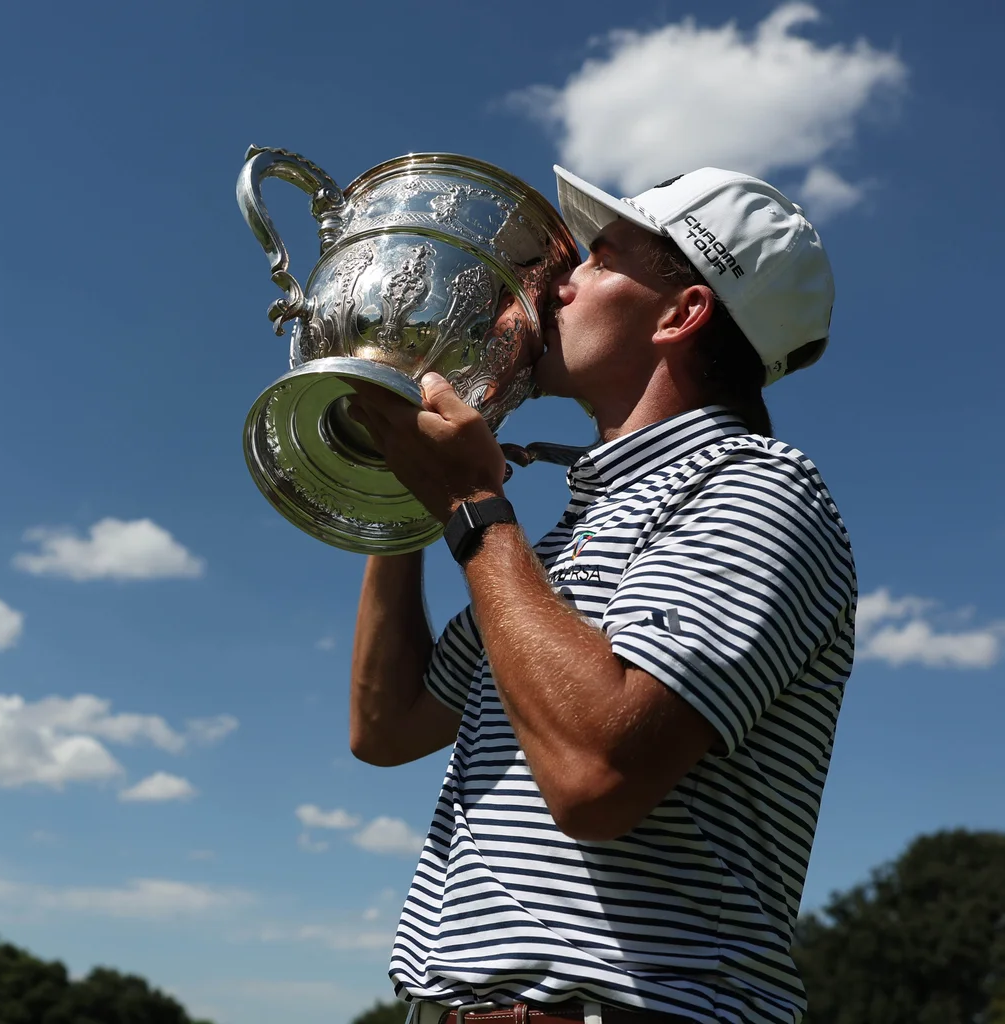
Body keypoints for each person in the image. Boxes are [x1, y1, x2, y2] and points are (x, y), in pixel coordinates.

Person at [342, 165, 857, 1024]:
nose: (556, 285)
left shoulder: (759, 489)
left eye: (601, 259)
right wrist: (404, 494)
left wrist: (472, 509)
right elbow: (387, 727)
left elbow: (596, 775)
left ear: (683, 313)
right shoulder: (552, 542)